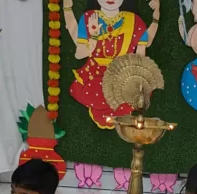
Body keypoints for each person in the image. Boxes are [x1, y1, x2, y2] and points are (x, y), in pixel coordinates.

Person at [63, 0, 162, 128]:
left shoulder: (134, 21)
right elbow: (79, 54)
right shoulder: (89, 17)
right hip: (94, 76)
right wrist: (93, 37)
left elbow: (140, 57)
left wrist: (156, 16)